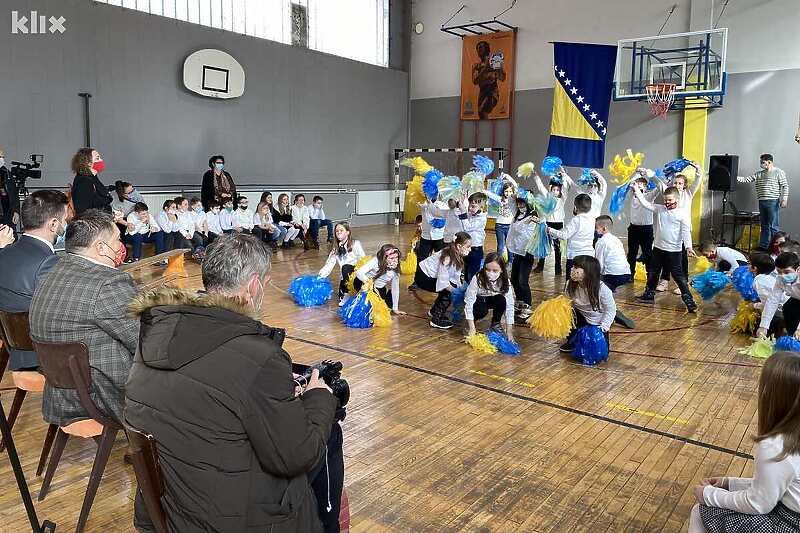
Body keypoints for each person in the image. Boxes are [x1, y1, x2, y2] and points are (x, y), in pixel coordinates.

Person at [125, 233, 339, 533]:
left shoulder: (156, 332)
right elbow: (295, 457)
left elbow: (211, 395)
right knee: (329, 434)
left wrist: (270, 392)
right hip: (230, 519)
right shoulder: (257, 354)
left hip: (169, 507)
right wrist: (319, 398)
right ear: (253, 286)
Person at [29, 209, 138, 426]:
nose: (120, 245)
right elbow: (146, 340)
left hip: (61, 395)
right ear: (100, 247)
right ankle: (152, 451)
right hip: (103, 398)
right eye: (117, 239)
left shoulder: (53, 272)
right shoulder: (108, 283)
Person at [688, 351, 800, 533]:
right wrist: (729, 483)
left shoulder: (775, 446)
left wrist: (709, 495)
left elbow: (758, 503)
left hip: (787, 523)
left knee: (700, 512)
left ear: (770, 395)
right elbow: (775, 485)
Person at [0, 190, 68, 369]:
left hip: (14, 351)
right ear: (53, 224)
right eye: (65, 220)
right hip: (42, 357)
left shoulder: (4, 253)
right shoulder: (49, 262)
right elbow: (63, 314)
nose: (65, 224)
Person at [633, 182, 698, 312]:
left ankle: (689, 300)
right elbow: (645, 204)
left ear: (677, 199)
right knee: (653, 272)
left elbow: (685, 231)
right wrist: (636, 190)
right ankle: (649, 294)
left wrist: (689, 247)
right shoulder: (660, 209)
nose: (667, 202)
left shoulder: (682, 214)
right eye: (665, 200)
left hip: (674, 251)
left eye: (670, 200)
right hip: (658, 248)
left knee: (678, 276)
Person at [658, 167, 704, 294]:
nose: (677, 185)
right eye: (675, 183)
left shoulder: (688, 194)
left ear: (684, 185)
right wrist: (650, 174)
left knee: (682, 258)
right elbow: (658, 182)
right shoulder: (668, 193)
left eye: (680, 183)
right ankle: (664, 280)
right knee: (666, 256)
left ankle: (683, 282)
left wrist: (697, 169)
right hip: (670, 232)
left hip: (683, 231)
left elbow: (698, 179)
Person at [559, 255, 617, 354]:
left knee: (598, 352)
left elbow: (610, 310)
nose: (572, 269)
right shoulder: (569, 284)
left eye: (576, 267)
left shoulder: (602, 289)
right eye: (573, 266)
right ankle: (572, 340)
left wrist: (603, 327)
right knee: (567, 312)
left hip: (597, 320)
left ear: (588, 271)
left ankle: (616, 317)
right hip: (581, 315)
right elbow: (568, 304)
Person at [415, 232, 472, 329]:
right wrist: (456, 292)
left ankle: (434, 312)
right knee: (448, 292)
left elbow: (455, 277)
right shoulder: (447, 257)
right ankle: (436, 319)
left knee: (452, 288)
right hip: (423, 277)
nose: (470, 249)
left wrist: (461, 288)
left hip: (428, 275)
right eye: (468, 246)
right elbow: (443, 281)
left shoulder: (455, 254)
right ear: (459, 246)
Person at [737, 154, 789, 251]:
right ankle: (763, 246)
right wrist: (733, 176)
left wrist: (784, 199)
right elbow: (746, 179)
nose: (761, 164)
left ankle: (776, 248)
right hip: (762, 201)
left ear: (769, 162)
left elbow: (785, 186)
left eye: (763, 162)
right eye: (761, 162)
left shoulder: (779, 172)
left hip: (773, 201)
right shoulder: (759, 174)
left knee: (774, 226)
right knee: (764, 225)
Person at [593, 215, 635, 329]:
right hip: (626, 273)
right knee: (606, 291)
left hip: (613, 275)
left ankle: (612, 315)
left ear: (604, 229)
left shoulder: (600, 242)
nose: (595, 230)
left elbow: (599, 264)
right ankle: (610, 311)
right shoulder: (616, 239)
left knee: (597, 290)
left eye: (596, 228)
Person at [464, 252, 515, 341]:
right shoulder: (477, 278)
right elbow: (469, 302)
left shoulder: (505, 282)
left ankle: (495, 323)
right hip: (478, 300)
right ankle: (471, 322)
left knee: (502, 300)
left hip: (491, 299)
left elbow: (510, 306)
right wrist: (472, 328)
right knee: (482, 310)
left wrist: (509, 332)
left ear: (502, 270)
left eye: (495, 271)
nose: (490, 273)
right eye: (487, 269)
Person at [542, 193, 595, 278]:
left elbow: (564, 235)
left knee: (572, 284)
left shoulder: (576, 220)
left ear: (575, 207)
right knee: (586, 283)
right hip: (589, 256)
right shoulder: (592, 219)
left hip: (575, 257)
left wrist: (549, 230)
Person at [318, 222, 365, 305]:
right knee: (344, 269)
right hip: (345, 278)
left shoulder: (355, 244)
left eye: (341, 230)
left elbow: (363, 260)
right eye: (337, 231)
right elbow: (329, 264)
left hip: (357, 276)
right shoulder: (336, 248)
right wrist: (320, 277)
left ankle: (350, 293)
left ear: (348, 232)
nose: (338, 232)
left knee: (346, 267)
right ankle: (346, 292)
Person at [506, 194, 537, 321]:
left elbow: (521, 230)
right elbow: (510, 202)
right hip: (517, 251)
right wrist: (514, 190)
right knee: (514, 279)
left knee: (522, 281)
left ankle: (527, 307)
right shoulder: (518, 215)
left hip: (527, 252)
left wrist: (526, 221)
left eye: (523, 204)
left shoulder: (532, 217)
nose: (520, 206)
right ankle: (519, 303)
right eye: (519, 204)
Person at [758, 252, 800, 341]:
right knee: (788, 308)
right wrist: (764, 326)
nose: (783, 276)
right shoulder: (780, 279)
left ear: (797, 269)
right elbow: (772, 301)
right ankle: (793, 338)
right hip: (797, 298)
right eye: (779, 272)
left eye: (787, 272)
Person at [354, 244, 405, 316]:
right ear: (384, 258)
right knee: (366, 310)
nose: (395, 260)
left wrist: (395, 308)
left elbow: (395, 289)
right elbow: (359, 272)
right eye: (391, 258)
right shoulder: (375, 261)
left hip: (378, 289)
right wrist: (369, 283)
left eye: (396, 257)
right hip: (363, 283)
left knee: (382, 307)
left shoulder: (396, 269)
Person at [533, 172, 569, 274]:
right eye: (554, 189)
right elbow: (540, 187)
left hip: (558, 225)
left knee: (558, 248)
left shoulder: (562, 199)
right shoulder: (548, 197)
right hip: (548, 224)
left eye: (557, 190)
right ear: (550, 189)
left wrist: (563, 177)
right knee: (544, 244)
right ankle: (540, 266)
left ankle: (558, 268)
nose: (555, 191)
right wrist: (536, 176)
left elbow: (566, 188)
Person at [626, 172, 658, 279]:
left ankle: (650, 275)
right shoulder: (632, 196)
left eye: (641, 184)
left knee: (648, 253)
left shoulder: (648, 196)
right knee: (631, 253)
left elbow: (658, 189)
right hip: (633, 228)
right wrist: (637, 174)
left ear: (645, 186)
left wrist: (649, 175)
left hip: (646, 229)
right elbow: (629, 183)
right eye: (637, 183)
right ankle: (630, 274)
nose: (638, 185)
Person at [483, 174, 519, 260]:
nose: (508, 193)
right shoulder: (500, 199)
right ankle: (499, 261)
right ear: (503, 191)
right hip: (499, 225)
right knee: (500, 246)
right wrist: (481, 190)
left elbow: (515, 185)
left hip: (510, 225)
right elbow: (489, 194)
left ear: (513, 192)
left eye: (510, 191)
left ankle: (510, 262)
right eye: (506, 191)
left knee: (509, 245)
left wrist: (507, 176)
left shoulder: (514, 200)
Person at [750, 252, 786, 335]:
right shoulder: (768, 277)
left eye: (749, 263)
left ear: (754, 268)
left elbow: (769, 303)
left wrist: (754, 305)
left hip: (783, 312)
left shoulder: (759, 281)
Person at [70, 147, 113, 215]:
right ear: (88, 163)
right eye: (97, 158)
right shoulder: (84, 181)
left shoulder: (92, 178)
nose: (101, 160)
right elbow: (82, 211)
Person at [471, 40, 506, 119]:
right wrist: (485, 69)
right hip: (482, 91)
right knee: (481, 113)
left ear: (487, 49)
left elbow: (502, 78)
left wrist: (498, 68)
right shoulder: (476, 66)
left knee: (483, 109)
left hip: (492, 90)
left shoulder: (494, 63)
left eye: (481, 48)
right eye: (477, 49)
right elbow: (475, 81)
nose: (479, 50)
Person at [458, 192, 488, 283]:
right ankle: (466, 292)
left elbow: (467, 228)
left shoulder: (482, 218)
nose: (470, 209)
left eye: (473, 206)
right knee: (466, 272)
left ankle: (473, 294)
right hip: (467, 248)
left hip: (476, 250)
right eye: (469, 206)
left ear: (481, 207)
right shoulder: (470, 214)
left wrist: (463, 212)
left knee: (472, 274)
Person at [0, 148, 20, 230]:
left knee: (11, 237)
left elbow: (14, 194)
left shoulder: (6, 173)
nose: (2, 159)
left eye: (3, 157)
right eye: (0, 157)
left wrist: (16, 211)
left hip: (8, 214)